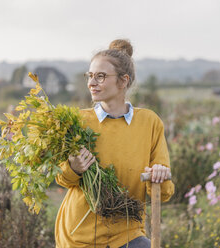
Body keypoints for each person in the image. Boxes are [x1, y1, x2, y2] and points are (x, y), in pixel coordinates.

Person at [55, 39, 174, 248]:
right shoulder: (78, 122)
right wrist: (74, 168)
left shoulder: (149, 123)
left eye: (100, 76)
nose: (92, 83)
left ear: (123, 81)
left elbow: (164, 193)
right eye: (90, 76)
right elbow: (61, 178)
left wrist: (159, 174)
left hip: (127, 234)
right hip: (79, 236)